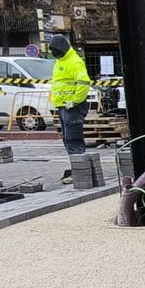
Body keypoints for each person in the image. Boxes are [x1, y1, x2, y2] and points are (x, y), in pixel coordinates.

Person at [45, 34, 91, 185]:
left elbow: (84, 82)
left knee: (74, 140)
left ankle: (80, 171)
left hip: (72, 107)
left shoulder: (74, 62)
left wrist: (75, 101)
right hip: (64, 106)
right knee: (68, 139)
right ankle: (77, 168)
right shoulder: (60, 61)